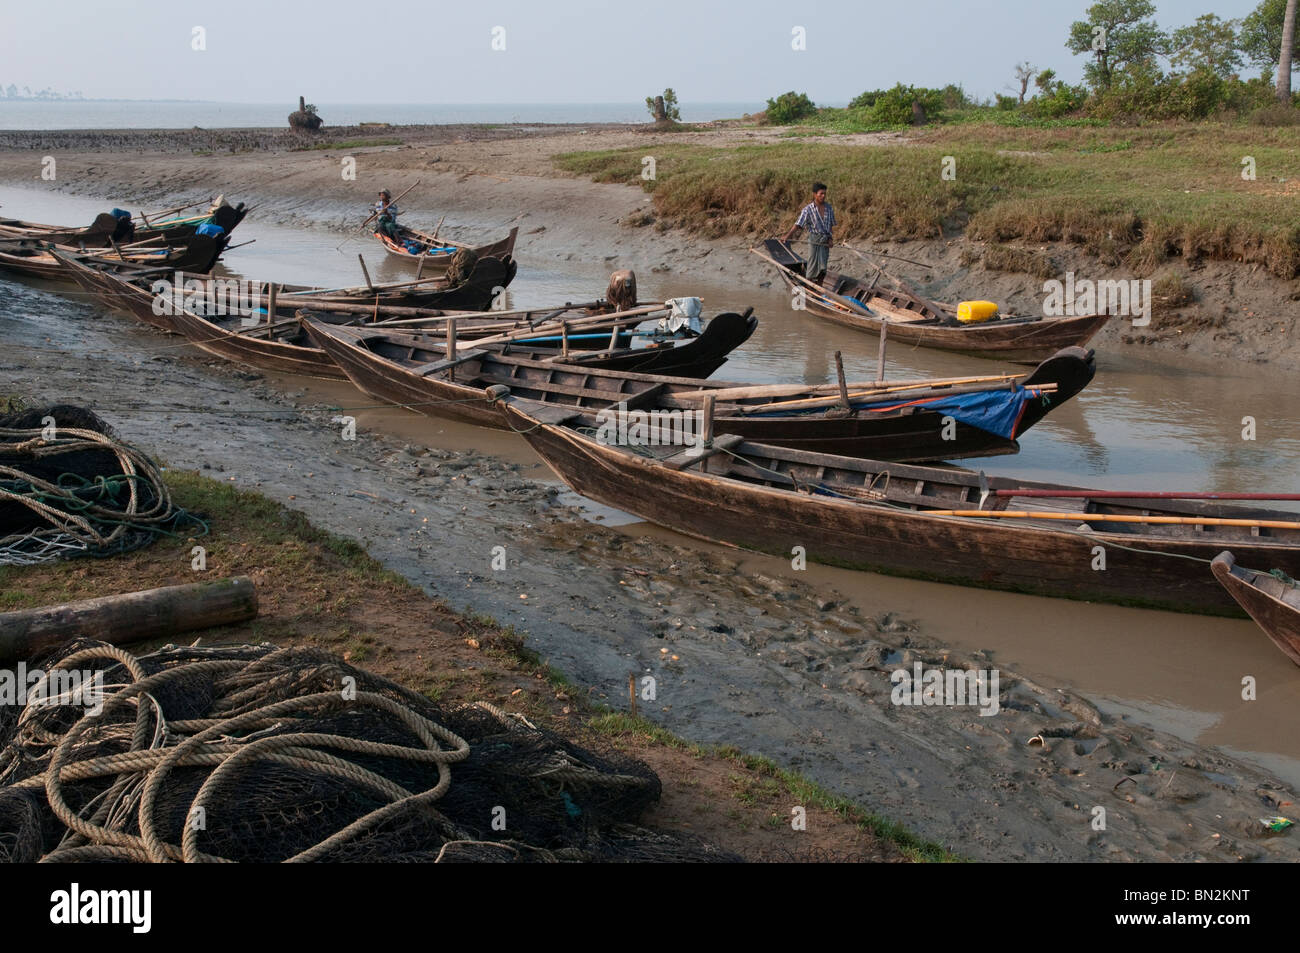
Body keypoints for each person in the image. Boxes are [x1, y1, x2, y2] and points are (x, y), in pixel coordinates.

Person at [783, 182, 836, 282]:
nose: (823, 196)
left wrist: (830, 239)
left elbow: (830, 226)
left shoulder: (829, 208)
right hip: (814, 241)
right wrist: (787, 236)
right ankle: (809, 287)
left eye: (825, 194)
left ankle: (819, 289)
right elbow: (798, 224)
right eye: (821, 194)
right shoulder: (808, 210)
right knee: (812, 267)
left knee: (823, 268)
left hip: (824, 242)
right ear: (815, 194)